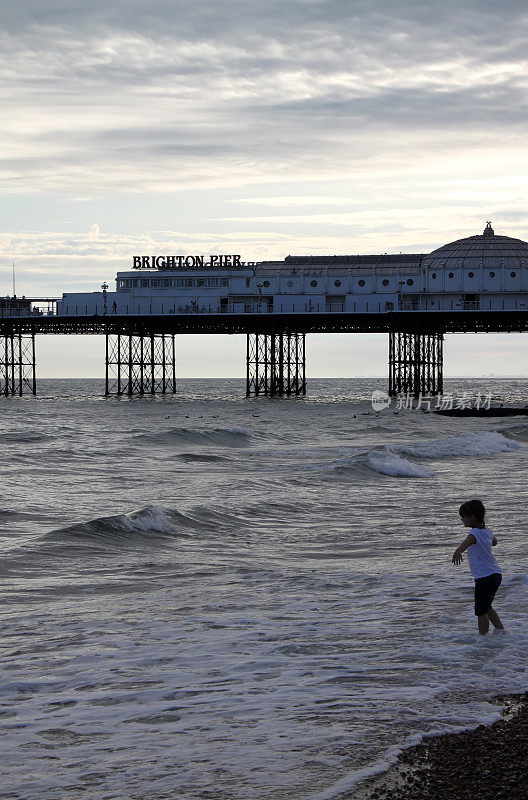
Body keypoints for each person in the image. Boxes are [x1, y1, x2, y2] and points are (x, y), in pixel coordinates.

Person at [452, 499, 504, 635]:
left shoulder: (474, 533)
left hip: (484, 576)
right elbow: (494, 542)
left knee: (481, 611)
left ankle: (483, 638)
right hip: (496, 575)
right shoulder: (486, 530)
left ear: (472, 517)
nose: (461, 519)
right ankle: (501, 631)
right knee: (487, 607)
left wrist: (457, 552)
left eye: (463, 516)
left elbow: (467, 541)